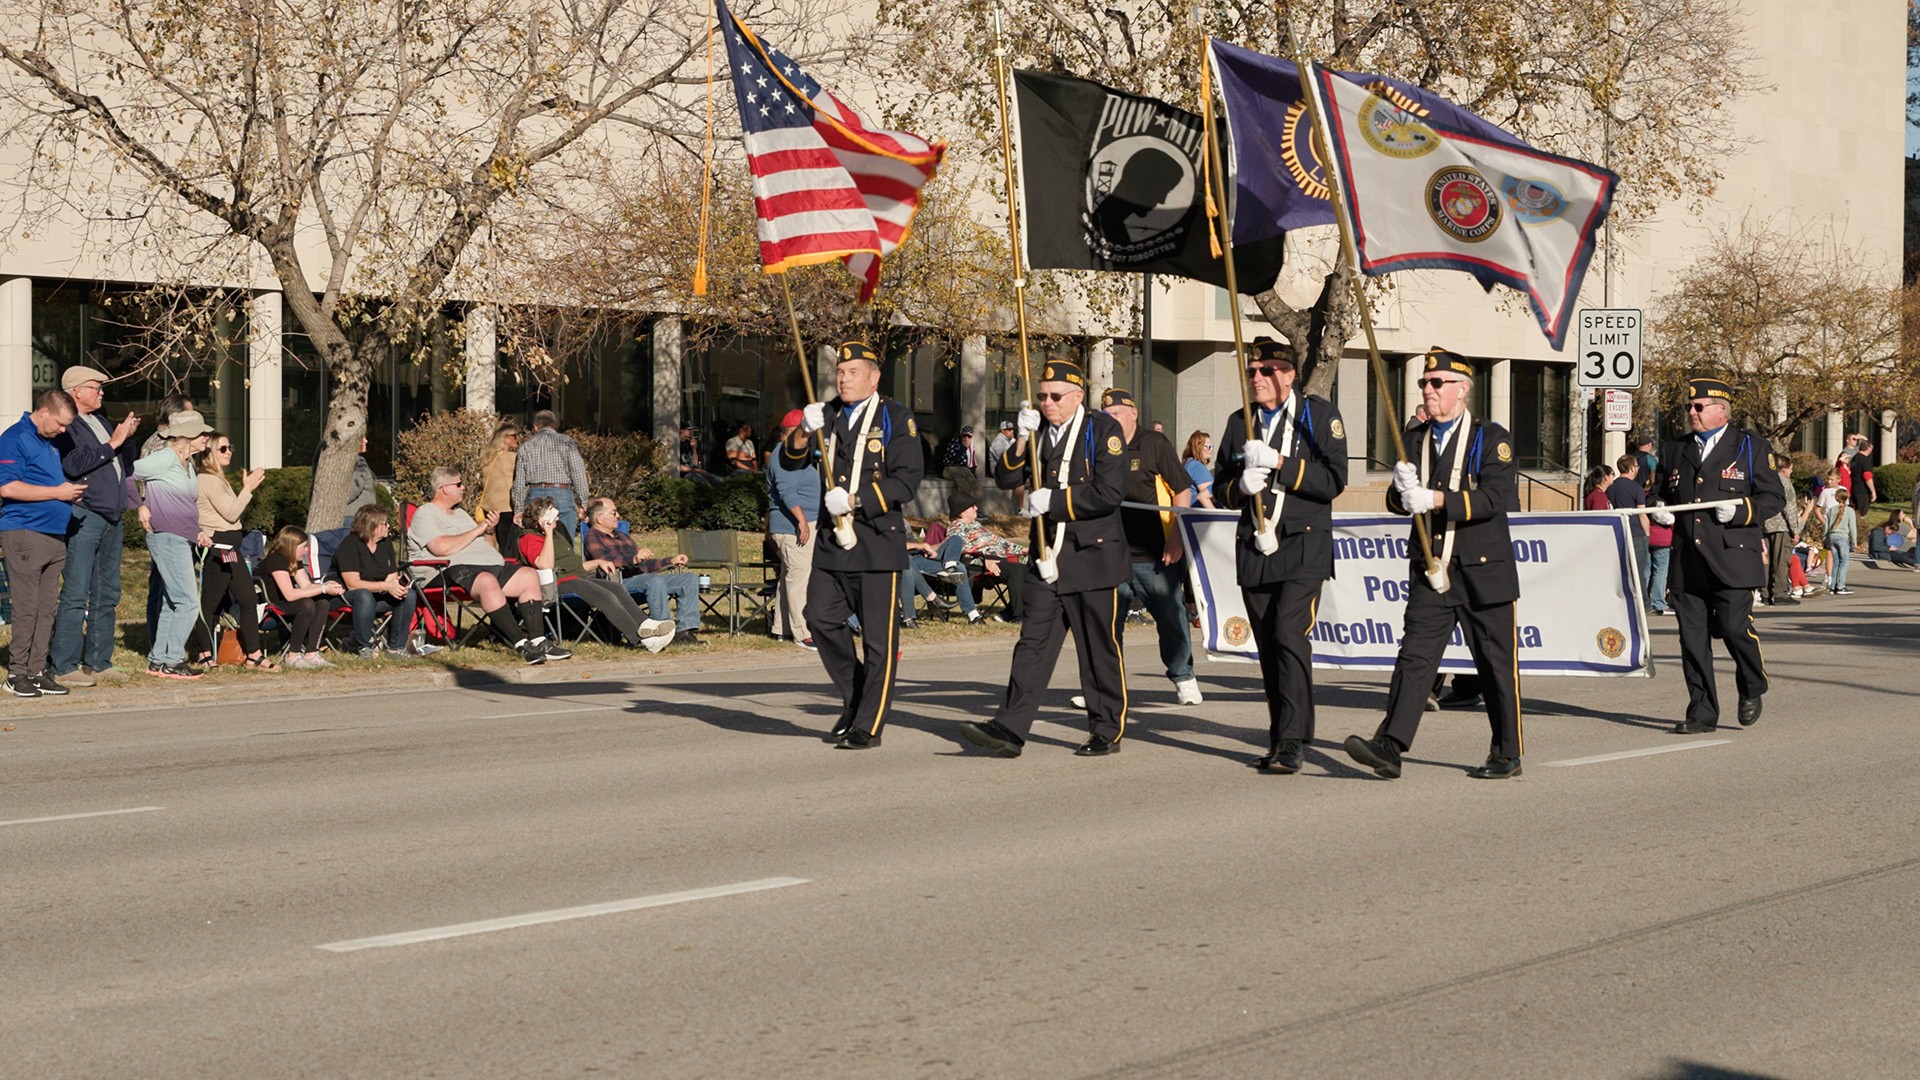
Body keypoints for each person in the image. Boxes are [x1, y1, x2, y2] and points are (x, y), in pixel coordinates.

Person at [1343, 349, 1524, 781]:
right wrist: (1400, 494)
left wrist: (1436, 499)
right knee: (1415, 658)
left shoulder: (1490, 439)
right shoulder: (1415, 440)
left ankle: (1507, 751)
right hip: (1431, 567)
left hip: (1483, 570)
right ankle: (1390, 745)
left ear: (1462, 390)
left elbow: (1495, 500)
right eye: (1425, 382)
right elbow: (1396, 502)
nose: (1428, 389)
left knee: (1494, 664)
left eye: (1437, 382)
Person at [957, 357, 1130, 759]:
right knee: (1031, 644)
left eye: (1055, 396)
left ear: (1077, 396)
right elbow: (1005, 478)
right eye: (1042, 396)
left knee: (1096, 648)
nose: (1047, 403)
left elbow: (1109, 493)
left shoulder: (1102, 430)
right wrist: (1021, 439)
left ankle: (1106, 727)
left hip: (1092, 557)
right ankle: (1010, 728)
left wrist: (1055, 500)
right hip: (1046, 555)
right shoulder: (1038, 432)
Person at [1212, 340, 1350, 773]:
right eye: (1252, 370)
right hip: (1256, 547)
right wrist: (1241, 488)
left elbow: (1333, 481)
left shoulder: (1318, 416)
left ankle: (1292, 741)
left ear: (1289, 375)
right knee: (1270, 646)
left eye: (1267, 370)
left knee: (1290, 635)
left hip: (1302, 546)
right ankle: (1282, 736)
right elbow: (1220, 489)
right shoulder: (1241, 422)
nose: (1256, 378)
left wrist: (1279, 462)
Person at [790, 340, 925, 749]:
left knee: (878, 641)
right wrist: (802, 431)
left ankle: (869, 723)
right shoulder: (827, 413)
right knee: (819, 617)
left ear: (873, 376)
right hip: (834, 542)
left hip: (876, 543)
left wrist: (856, 499)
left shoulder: (896, 417)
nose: (842, 379)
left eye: (851, 372)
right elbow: (790, 460)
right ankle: (856, 697)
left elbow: (906, 480)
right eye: (839, 372)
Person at [1649, 376, 1787, 734]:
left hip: (1732, 556)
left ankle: (1753, 684)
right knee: (1693, 641)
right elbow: (1658, 492)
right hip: (1687, 561)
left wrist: (1743, 511)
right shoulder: (1673, 449)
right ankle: (1702, 713)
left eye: (1699, 407)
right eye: (1689, 407)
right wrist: (1657, 508)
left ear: (1721, 410)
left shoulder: (1749, 447)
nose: (1692, 412)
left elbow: (1773, 497)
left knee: (1732, 626)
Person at [407, 465, 570, 664]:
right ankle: (521, 644)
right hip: (445, 571)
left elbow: (478, 542)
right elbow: (441, 547)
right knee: (487, 581)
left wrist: (489, 530)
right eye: (458, 484)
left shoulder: (459, 514)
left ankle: (538, 640)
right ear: (444, 488)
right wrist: (480, 528)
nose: (463, 487)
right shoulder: (426, 513)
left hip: (485, 565)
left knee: (529, 575)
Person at [1102, 386, 1201, 706]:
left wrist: (1176, 539)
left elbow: (1182, 491)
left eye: (1117, 414)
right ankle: (1105, 687)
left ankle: (1183, 677)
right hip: (1111, 554)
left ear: (1133, 413)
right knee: (1104, 626)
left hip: (1155, 553)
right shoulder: (1100, 446)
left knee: (1171, 619)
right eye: (1106, 415)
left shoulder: (1153, 443)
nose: (1112, 420)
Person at [49, 365, 142, 686]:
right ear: (77, 392)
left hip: (112, 517)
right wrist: (113, 443)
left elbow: (124, 465)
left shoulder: (100, 422)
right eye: (95, 387)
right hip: (85, 516)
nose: (102, 392)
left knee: (107, 592)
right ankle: (64, 665)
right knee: (76, 591)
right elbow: (72, 465)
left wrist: (126, 439)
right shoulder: (68, 426)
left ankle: (99, 662)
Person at [0, 390, 88, 696]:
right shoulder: (16, 437)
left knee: (47, 607)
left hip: (53, 535)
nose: (63, 430)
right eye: (61, 424)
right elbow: (8, 487)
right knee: (27, 607)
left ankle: (37, 669)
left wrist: (68, 492)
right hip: (25, 532)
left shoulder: (47, 443)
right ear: (45, 412)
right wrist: (57, 494)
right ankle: (16, 674)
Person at [516, 497, 675, 652]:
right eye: (551, 513)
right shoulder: (529, 538)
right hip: (557, 584)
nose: (557, 516)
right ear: (540, 519)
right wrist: (549, 534)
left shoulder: (555, 535)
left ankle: (647, 625)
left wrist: (598, 562)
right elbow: (545, 565)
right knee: (605, 596)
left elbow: (575, 566)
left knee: (616, 588)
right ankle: (643, 639)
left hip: (575, 578)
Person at [132, 409, 217, 680]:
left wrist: (199, 532)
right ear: (187, 436)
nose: (207, 437)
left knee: (173, 602)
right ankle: (173, 660)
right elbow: (125, 475)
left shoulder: (187, 463)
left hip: (182, 536)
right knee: (189, 602)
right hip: (165, 536)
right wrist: (139, 507)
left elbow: (183, 505)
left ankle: (158, 661)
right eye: (202, 433)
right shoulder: (165, 458)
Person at [184, 431, 275, 669]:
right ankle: (205, 653)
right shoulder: (208, 479)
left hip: (230, 546)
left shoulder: (217, 478)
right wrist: (248, 489)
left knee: (246, 599)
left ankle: (253, 655)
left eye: (230, 447)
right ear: (208, 454)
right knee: (211, 603)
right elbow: (232, 513)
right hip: (219, 547)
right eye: (222, 449)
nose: (229, 452)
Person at [581, 497, 703, 646]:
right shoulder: (592, 537)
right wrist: (633, 560)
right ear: (600, 518)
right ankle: (663, 633)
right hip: (617, 584)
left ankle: (685, 632)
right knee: (654, 581)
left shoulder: (623, 536)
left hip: (642, 579)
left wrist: (671, 560)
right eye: (613, 513)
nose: (618, 515)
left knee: (688, 578)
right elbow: (606, 562)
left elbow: (644, 564)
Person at [335, 505, 440, 657]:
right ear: (372, 525)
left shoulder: (385, 543)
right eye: (385, 523)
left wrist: (397, 587)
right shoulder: (350, 545)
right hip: (348, 597)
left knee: (408, 594)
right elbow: (353, 584)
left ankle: (396, 647)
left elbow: (391, 575)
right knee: (364, 595)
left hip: (377, 596)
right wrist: (385, 586)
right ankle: (363, 647)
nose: (389, 526)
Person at [763, 410, 819, 649]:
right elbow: (786, 490)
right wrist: (802, 520)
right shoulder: (782, 455)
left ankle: (781, 628)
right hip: (794, 526)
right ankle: (802, 632)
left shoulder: (794, 453)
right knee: (799, 578)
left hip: (800, 523)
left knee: (790, 576)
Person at [258, 525, 344, 668]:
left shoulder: (293, 561)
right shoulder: (276, 560)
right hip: (269, 608)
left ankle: (312, 653)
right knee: (306, 604)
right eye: (303, 547)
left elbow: (307, 586)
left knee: (322, 601)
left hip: (286, 604)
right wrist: (323, 588)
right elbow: (290, 595)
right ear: (291, 546)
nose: (306, 551)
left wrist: (329, 587)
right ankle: (293, 655)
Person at [511, 409, 590, 539]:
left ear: (536, 427)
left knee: (538, 539)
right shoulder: (566, 442)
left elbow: (519, 482)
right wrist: (584, 502)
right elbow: (578, 472)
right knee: (564, 540)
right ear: (554, 425)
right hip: (561, 492)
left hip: (534, 493)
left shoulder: (526, 446)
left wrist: (518, 509)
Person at [1608, 454, 1652, 608]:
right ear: (1632, 468)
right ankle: (1644, 603)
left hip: (1618, 532)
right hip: (1636, 533)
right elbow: (1642, 514)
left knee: (1621, 569)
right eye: (1637, 467)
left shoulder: (1611, 487)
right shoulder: (1636, 488)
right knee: (1639, 570)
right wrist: (1647, 533)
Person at [1761, 455, 1798, 606]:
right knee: (1781, 561)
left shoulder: (1764, 481)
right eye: (1790, 469)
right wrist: (1794, 530)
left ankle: (1765, 593)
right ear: (1784, 469)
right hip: (1781, 527)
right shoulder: (1785, 483)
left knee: (1766, 561)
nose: (1791, 472)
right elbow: (1789, 508)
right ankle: (1780, 593)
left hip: (1764, 526)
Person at [938, 425, 983, 510]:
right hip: (951, 468)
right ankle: (962, 509)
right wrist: (963, 447)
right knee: (963, 484)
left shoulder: (971, 446)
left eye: (968, 436)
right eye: (964, 435)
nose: (966, 438)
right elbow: (953, 458)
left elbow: (972, 463)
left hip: (964, 469)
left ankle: (977, 510)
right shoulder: (955, 443)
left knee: (977, 485)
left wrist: (973, 476)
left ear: (972, 436)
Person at [1824, 487, 1857, 594]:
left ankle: (1832, 585)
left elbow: (1826, 526)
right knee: (1844, 561)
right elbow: (1852, 527)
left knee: (1836, 562)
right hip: (1842, 537)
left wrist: (1825, 538)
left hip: (1832, 536)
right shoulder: (1850, 511)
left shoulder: (1831, 510)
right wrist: (1854, 541)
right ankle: (1841, 585)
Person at [1647, 498, 1675, 614]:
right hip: (1662, 539)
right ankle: (1658, 602)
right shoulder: (1659, 500)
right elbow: (1666, 519)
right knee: (1660, 572)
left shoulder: (1646, 497)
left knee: (1646, 571)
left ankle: (1645, 600)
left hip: (1649, 537)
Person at [1182, 430, 1217, 509]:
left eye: (1212, 446)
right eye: (1208, 446)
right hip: (1202, 515)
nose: (1211, 449)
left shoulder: (1188, 464)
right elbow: (1210, 497)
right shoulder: (1196, 466)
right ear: (1198, 447)